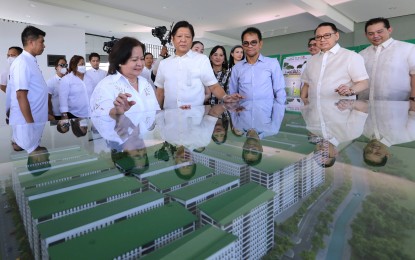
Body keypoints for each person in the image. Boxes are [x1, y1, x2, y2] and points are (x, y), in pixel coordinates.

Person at [154, 21, 242, 109]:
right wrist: (156, 114)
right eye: (179, 36)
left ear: (192, 39)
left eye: (187, 37)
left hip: (194, 116)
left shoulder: (201, 60)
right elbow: (160, 92)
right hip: (170, 117)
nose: (183, 40)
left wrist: (225, 97)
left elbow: (213, 86)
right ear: (172, 38)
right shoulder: (164, 64)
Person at [90, 37, 160, 117]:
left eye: (141, 59)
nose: (140, 64)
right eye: (134, 60)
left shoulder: (145, 83)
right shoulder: (107, 85)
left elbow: (155, 110)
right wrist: (116, 112)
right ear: (120, 61)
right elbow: (98, 114)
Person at [301, 22, 369, 102]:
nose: (322, 39)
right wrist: (303, 103)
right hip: (314, 110)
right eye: (318, 37)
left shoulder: (351, 56)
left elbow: (364, 83)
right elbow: (306, 84)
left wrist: (350, 90)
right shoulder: (311, 60)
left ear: (336, 36)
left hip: (341, 110)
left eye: (327, 35)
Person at [359, 17, 415, 101]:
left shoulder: (408, 48)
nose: (375, 36)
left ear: (389, 30)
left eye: (379, 32)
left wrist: (413, 99)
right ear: (366, 35)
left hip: (399, 104)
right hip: (366, 105)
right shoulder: (362, 54)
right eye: (371, 33)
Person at [228, 27, 286, 102]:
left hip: (266, 112)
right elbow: (233, 93)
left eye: (253, 42)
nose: (249, 46)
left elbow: (280, 92)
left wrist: (278, 112)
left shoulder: (272, 63)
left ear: (260, 44)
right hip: (244, 112)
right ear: (243, 46)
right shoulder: (236, 68)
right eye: (246, 43)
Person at [8, 26, 48, 125]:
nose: (44, 45)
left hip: (36, 121)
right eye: (41, 42)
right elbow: (21, 96)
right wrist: (31, 124)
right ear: (31, 42)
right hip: (26, 124)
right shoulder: (22, 62)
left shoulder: (30, 61)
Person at [59, 55, 90, 119]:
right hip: (74, 114)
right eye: (81, 64)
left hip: (89, 113)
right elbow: (63, 98)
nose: (83, 66)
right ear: (74, 66)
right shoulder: (66, 79)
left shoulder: (89, 78)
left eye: (84, 64)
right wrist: (64, 114)